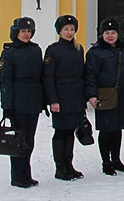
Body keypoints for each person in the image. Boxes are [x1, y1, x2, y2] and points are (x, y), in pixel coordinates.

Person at [86, 17, 124, 176]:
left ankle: (116, 159)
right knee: (106, 129)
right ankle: (106, 162)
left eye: (113, 32)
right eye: (107, 33)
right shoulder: (95, 52)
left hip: (122, 94)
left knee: (117, 129)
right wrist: (92, 95)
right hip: (105, 94)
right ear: (102, 35)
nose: (110, 36)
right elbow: (90, 75)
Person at [0, 17, 44, 188]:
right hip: (18, 102)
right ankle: (17, 176)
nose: (26, 34)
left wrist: (43, 100)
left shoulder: (35, 50)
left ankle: (27, 173)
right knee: (19, 140)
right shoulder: (9, 52)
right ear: (16, 32)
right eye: (23, 31)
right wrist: (7, 106)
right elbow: (5, 81)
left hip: (33, 101)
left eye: (29, 31)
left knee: (29, 139)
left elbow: (40, 76)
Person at [43, 15, 86, 181]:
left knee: (71, 131)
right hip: (61, 97)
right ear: (59, 31)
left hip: (75, 97)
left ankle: (69, 164)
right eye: (66, 29)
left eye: (72, 29)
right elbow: (48, 77)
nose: (69, 32)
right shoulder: (53, 50)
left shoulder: (78, 48)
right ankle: (60, 167)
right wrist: (53, 100)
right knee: (61, 132)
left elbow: (81, 73)